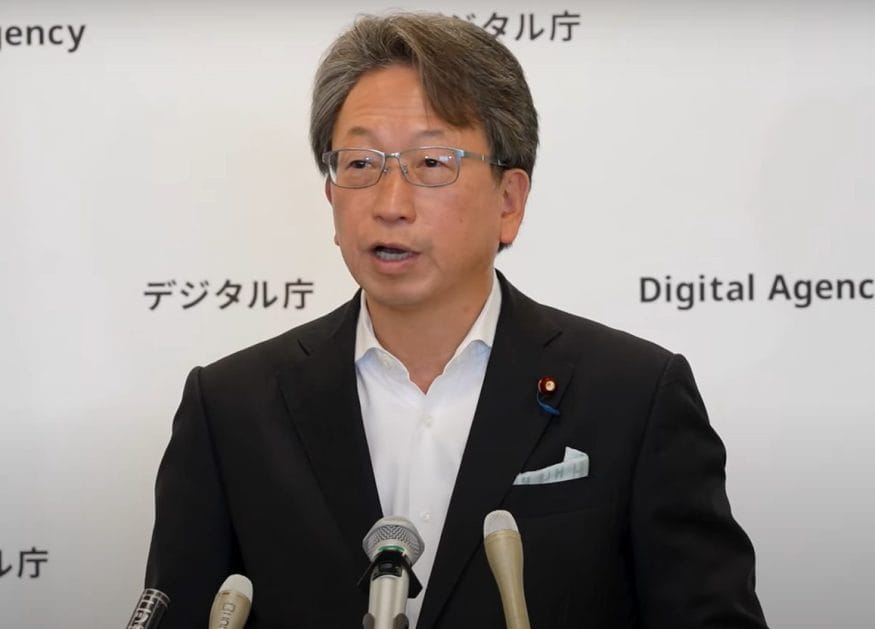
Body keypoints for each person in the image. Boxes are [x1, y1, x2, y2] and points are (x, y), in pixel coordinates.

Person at [145, 12, 769, 628]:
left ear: (509, 201)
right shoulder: (230, 409)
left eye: (432, 163)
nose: (391, 205)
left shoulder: (634, 397)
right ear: (331, 194)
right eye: (360, 164)